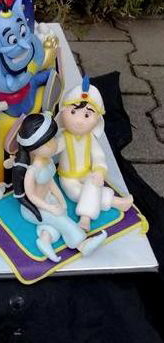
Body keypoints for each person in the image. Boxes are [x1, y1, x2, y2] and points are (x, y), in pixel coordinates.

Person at [12, 112, 107, 262]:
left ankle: (45, 240)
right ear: (34, 147)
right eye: (47, 143)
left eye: (52, 139)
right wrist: (49, 208)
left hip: (48, 199)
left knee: (59, 217)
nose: (54, 144)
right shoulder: (32, 171)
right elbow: (31, 196)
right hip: (33, 208)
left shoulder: (48, 161)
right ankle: (82, 244)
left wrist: (60, 200)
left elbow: (51, 183)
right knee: (62, 220)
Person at [57, 77, 133, 230]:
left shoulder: (90, 138)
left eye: (87, 115)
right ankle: (116, 202)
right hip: (68, 178)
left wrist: (99, 171)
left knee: (94, 183)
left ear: (97, 120)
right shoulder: (63, 138)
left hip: (87, 173)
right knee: (76, 193)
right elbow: (52, 149)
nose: (79, 121)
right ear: (63, 112)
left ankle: (85, 218)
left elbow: (98, 156)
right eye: (73, 112)